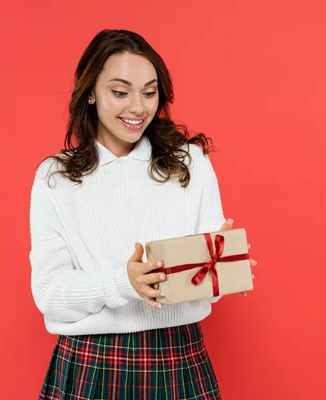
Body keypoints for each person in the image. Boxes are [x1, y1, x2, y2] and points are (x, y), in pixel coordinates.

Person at [29, 29, 256, 399]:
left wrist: (223, 266)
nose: (138, 107)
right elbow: (49, 293)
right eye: (120, 92)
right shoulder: (56, 178)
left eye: (149, 92)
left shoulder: (189, 162)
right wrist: (124, 282)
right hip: (92, 363)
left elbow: (207, 288)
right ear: (90, 92)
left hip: (178, 357)